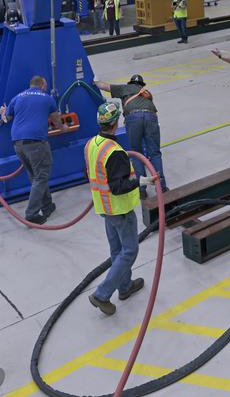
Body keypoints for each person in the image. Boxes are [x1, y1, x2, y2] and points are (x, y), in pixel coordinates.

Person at [85, 101, 149, 315]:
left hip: (103, 207)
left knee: (117, 251)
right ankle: (102, 294)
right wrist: (139, 182)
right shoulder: (115, 152)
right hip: (119, 209)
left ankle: (125, 286)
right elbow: (118, 187)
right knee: (129, 251)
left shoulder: (92, 144)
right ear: (116, 123)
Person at [0, 76, 63, 224]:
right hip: (36, 143)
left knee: (36, 177)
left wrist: (2, 111)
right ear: (41, 85)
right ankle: (31, 213)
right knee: (41, 176)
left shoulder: (17, 97)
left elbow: (6, 118)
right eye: (45, 85)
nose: (46, 88)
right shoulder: (47, 98)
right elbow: (56, 121)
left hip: (17, 144)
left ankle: (47, 206)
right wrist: (64, 127)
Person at [95, 74, 166, 190]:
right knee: (155, 153)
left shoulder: (124, 88)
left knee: (137, 153)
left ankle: (142, 189)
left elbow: (103, 86)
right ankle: (162, 186)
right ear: (141, 85)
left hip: (133, 117)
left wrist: (94, 80)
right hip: (150, 116)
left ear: (131, 83)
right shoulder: (146, 93)